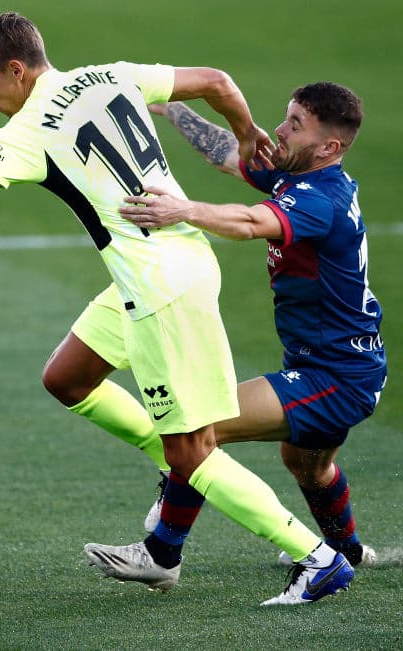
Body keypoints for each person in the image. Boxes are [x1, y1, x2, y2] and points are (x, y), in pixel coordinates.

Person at [0, 12, 352, 606]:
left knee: (192, 452)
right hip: (161, 266)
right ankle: (172, 480)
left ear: (17, 70)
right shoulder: (109, 75)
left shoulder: (28, 130)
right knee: (67, 377)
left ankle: (315, 557)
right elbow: (217, 81)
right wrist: (247, 132)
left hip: (158, 284)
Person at [119, 81, 387, 570]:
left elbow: (247, 223)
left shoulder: (318, 198)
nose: (279, 131)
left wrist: (181, 210)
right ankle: (347, 551)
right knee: (308, 464)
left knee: (199, 426)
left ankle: (161, 553)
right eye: (285, 117)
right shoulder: (298, 175)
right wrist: (170, 107)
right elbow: (226, 152)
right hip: (340, 363)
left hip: (337, 376)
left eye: (295, 125)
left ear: (330, 146)